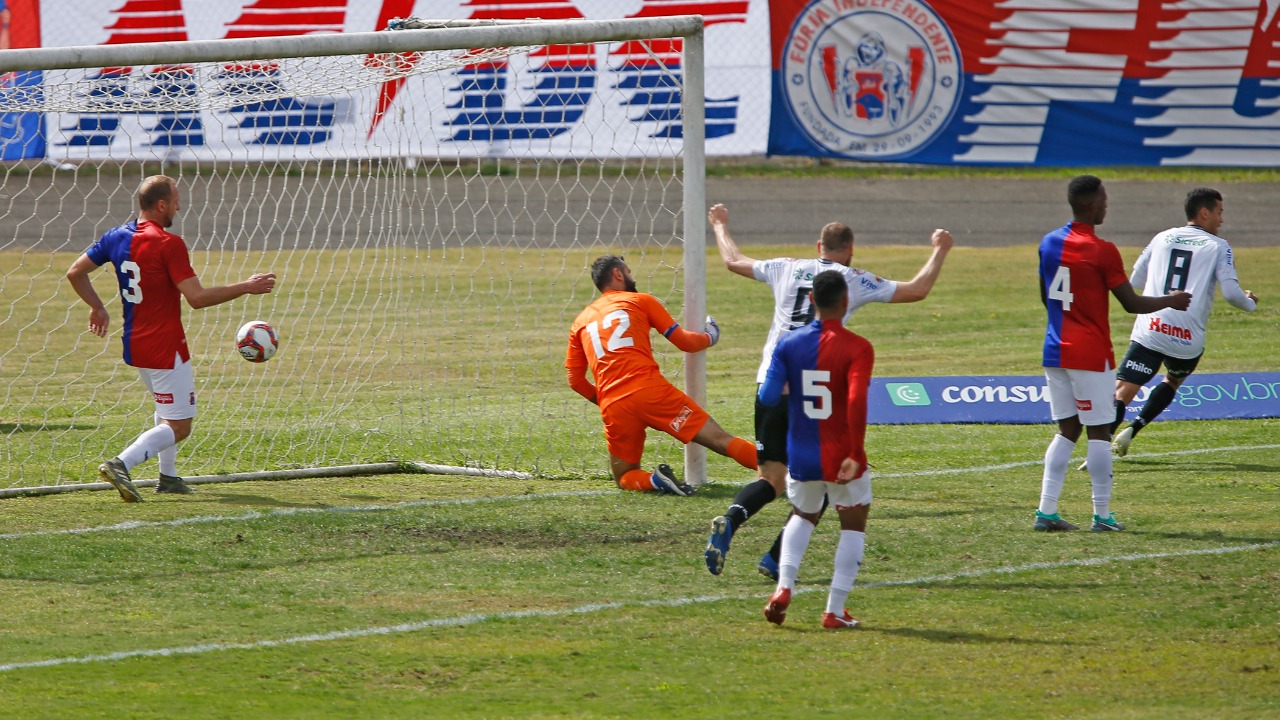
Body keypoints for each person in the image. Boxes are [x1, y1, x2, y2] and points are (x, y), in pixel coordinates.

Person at [703, 202, 951, 579]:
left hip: (771, 378)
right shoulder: (852, 278)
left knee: (770, 476)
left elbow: (733, 260)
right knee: (820, 480)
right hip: (814, 392)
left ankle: (733, 520)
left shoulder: (784, 266)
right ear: (850, 251)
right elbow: (917, 290)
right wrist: (940, 249)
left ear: (818, 245)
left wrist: (720, 225)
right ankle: (773, 559)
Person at [66, 175, 276, 502]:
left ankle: (169, 476)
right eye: (176, 200)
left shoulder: (116, 236)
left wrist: (97, 307)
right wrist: (246, 287)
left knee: (165, 411)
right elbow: (197, 297)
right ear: (161, 205)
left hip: (135, 343)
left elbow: (75, 272)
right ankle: (121, 463)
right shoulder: (168, 243)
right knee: (180, 426)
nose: (179, 206)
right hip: (165, 347)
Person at [1034, 175, 1191, 532]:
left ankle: (1046, 511)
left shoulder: (1049, 242)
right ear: (1091, 205)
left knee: (1066, 430)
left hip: (1055, 349)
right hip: (1089, 353)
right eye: (1104, 200)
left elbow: (1046, 296)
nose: (1107, 205)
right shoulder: (1101, 250)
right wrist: (1172, 300)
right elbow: (1131, 302)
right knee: (1100, 433)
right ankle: (1102, 515)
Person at [565, 255, 758, 495]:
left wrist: (604, 399)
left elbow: (575, 381)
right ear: (618, 274)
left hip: (614, 407)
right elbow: (685, 342)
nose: (632, 277)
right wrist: (711, 336)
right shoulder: (640, 301)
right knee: (720, 439)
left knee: (625, 476)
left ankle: (655, 481)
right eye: (629, 271)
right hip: (652, 393)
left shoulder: (580, 321)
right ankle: (787, 473)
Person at [757, 270, 874, 629]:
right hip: (841, 453)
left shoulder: (788, 344)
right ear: (845, 302)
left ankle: (784, 587)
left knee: (803, 516)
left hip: (802, 452)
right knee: (853, 525)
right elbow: (855, 400)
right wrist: (854, 451)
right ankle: (834, 610)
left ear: (811, 301)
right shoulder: (858, 347)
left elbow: (767, 396)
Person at [1107, 187, 1258, 455]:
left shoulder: (1162, 237)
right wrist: (1251, 303)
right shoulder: (1219, 246)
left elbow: (1135, 283)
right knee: (1172, 381)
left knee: (1123, 391)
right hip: (1186, 340)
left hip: (1151, 329)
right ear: (1204, 213)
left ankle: (1099, 446)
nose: (1221, 220)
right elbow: (1233, 295)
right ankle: (1134, 429)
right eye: (1219, 213)